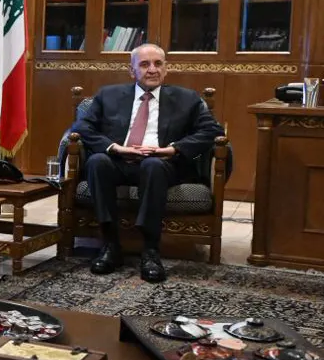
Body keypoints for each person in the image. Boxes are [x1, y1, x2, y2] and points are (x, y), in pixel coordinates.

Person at [68, 43, 224, 283]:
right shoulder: (108, 95)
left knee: (152, 166)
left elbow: (212, 131)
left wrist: (173, 149)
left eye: (158, 64)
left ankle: (150, 250)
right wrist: (115, 147)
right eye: (144, 64)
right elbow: (82, 126)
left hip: (163, 164)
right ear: (132, 71)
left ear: (166, 69)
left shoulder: (187, 98)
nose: (152, 69)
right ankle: (110, 245)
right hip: (119, 160)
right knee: (98, 162)